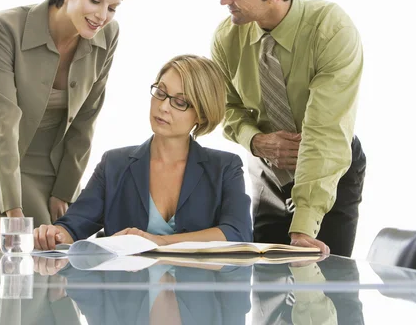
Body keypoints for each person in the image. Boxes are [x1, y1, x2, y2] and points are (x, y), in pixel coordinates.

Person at [0, 0, 135, 247]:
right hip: (6, 163)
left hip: (56, 165)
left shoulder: (108, 34)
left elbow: (86, 119)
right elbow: (3, 122)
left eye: (112, 7)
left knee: (67, 260)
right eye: (94, 0)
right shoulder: (4, 28)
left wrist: (64, 190)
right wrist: (12, 209)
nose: (102, 16)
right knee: (27, 259)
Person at [211, 0, 366, 256]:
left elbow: (324, 131)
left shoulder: (331, 29)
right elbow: (226, 106)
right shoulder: (227, 37)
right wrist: (255, 140)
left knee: (320, 279)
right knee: (268, 284)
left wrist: (304, 225)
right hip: (269, 167)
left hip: (330, 164)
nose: (223, 0)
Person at [34, 55, 253, 250]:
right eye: (160, 92)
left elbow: (237, 233)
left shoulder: (225, 166)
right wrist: (54, 235)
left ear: (202, 115)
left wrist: (159, 242)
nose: (163, 106)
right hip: (130, 291)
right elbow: (73, 225)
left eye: (180, 102)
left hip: (198, 291)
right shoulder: (114, 164)